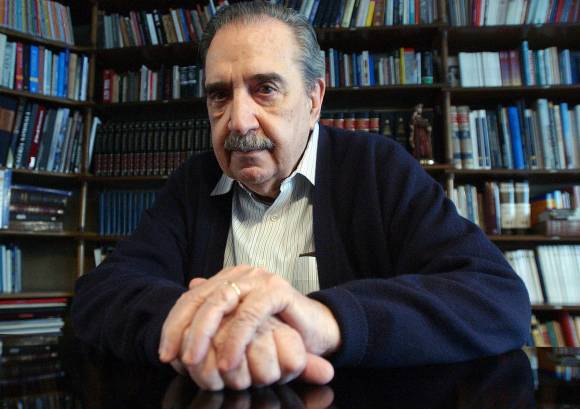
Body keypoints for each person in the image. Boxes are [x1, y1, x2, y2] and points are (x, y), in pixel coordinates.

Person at [71, 2, 531, 391]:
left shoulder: (377, 168)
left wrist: (326, 320)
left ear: (314, 100)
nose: (238, 121)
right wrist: (194, 321)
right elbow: (98, 295)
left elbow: (497, 299)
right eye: (219, 96)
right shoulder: (193, 183)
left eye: (265, 89)